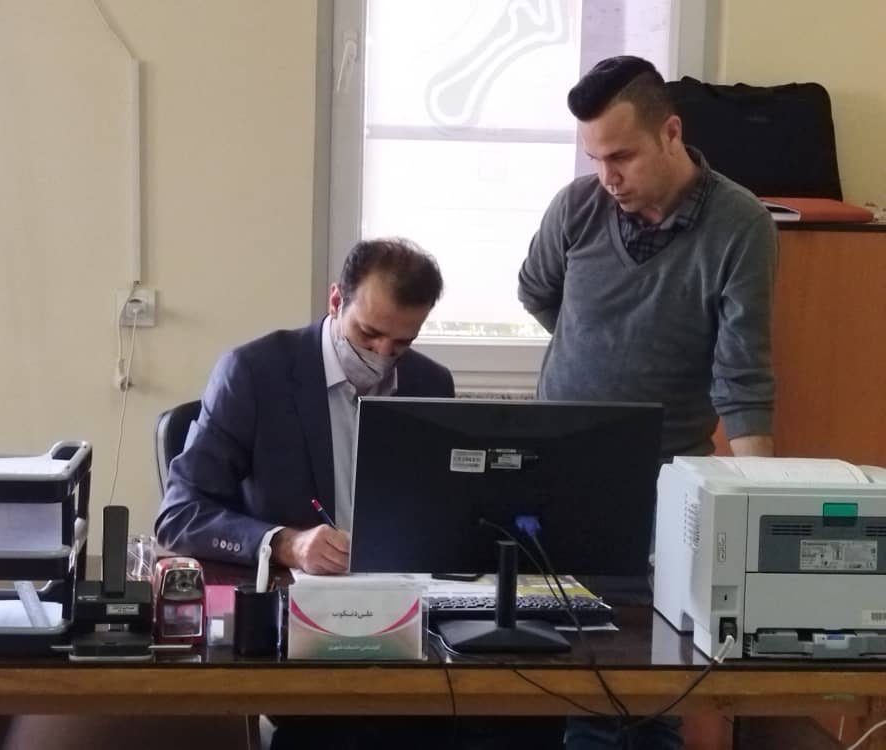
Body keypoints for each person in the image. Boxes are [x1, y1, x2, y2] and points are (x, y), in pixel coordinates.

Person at [517, 56, 778, 749]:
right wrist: (594, 344)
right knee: (563, 669)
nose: (608, 177)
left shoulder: (741, 224)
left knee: (649, 679)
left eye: (622, 156)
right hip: (559, 466)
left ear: (671, 133)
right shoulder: (576, 207)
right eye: (595, 159)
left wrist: (761, 510)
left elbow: (742, 376)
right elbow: (537, 291)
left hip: (667, 480)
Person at [156, 237, 454, 574]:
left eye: (402, 342)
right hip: (291, 590)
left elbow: (445, 514)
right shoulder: (255, 374)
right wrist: (285, 544)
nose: (382, 354)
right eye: (368, 333)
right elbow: (180, 515)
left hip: (404, 587)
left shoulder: (430, 383)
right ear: (336, 301)